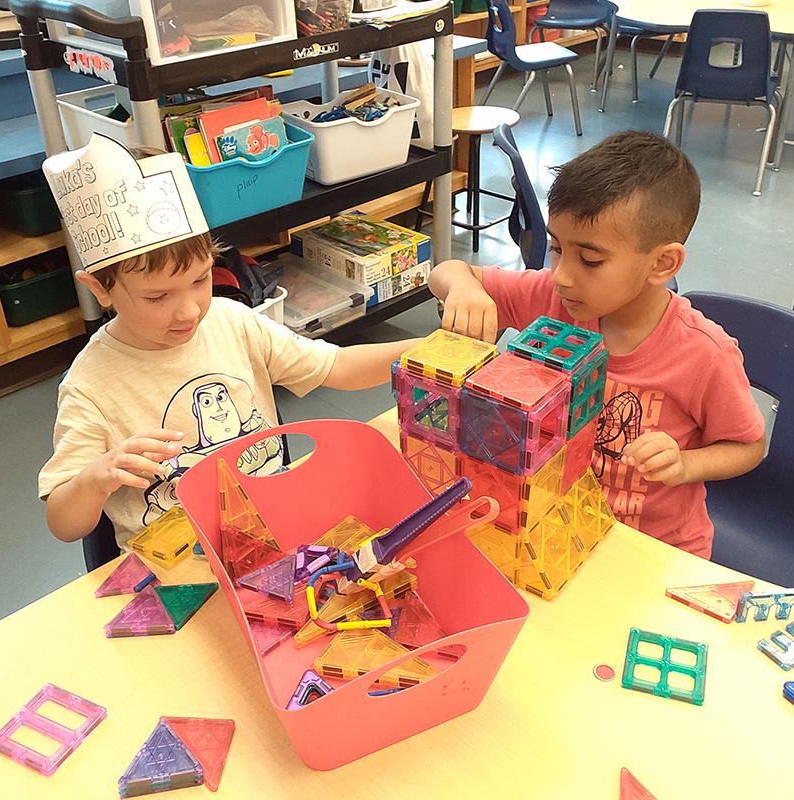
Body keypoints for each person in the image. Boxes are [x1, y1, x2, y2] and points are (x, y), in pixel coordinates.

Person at [38, 134, 420, 550]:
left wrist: (425, 349)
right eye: (157, 296)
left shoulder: (231, 320)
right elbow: (63, 522)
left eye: (200, 279)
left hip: (276, 532)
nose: (188, 311)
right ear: (100, 289)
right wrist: (95, 478)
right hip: (182, 571)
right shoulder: (89, 386)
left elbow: (337, 366)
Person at [428, 130, 765, 559]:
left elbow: (749, 446)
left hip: (651, 549)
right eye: (555, 248)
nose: (562, 275)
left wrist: (686, 464)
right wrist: (463, 287)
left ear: (662, 263)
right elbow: (448, 270)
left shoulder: (704, 353)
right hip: (552, 530)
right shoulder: (553, 301)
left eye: (589, 260)